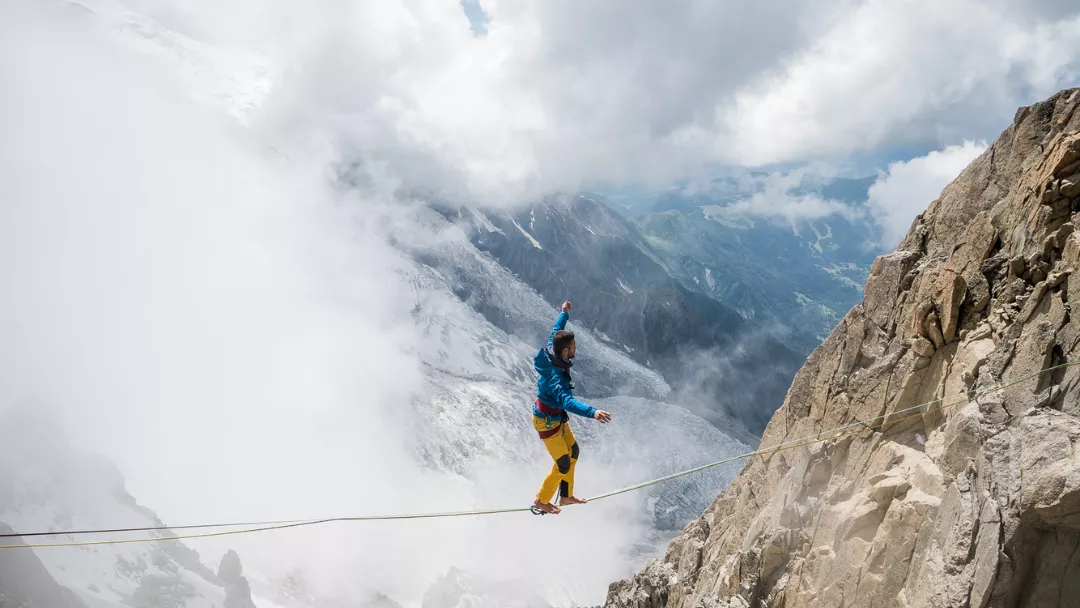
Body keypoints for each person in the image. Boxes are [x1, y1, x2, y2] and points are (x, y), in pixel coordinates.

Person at [530, 300, 612, 515]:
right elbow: (567, 401)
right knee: (563, 462)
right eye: (574, 347)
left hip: (555, 417)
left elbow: (556, 331)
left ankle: (565, 496)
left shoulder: (552, 349)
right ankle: (541, 500)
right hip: (547, 420)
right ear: (565, 351)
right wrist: (593, 412)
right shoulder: (555, 378)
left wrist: (563, 313)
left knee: (573, 451)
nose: (576, 349)